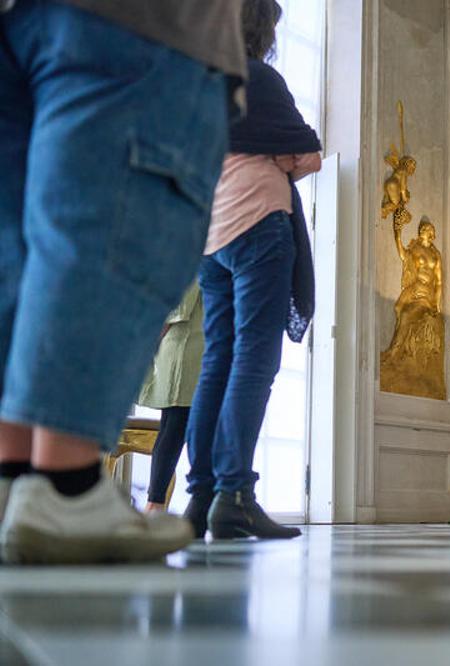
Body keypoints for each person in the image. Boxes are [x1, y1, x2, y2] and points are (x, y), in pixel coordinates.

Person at [0, 0, 243, 564]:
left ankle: (13, 478)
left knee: (17, 249)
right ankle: (66, 483)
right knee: (113, 221)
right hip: (140, 22)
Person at [184, 0, 322, 541]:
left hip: (211, 234)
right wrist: (275, 156)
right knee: (254, 359)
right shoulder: (259, 77)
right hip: (260, 224)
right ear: (262, 29)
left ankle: (201, 497)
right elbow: (308, 154)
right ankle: (235, 495)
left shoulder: (198, 77)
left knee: (216, 360)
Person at [137, 284, 204, 513]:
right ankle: (156, 504)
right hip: (186, 343)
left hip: (187, 342)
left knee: (175, 426)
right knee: (176, 426)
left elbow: (180, 304)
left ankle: (156, 504)